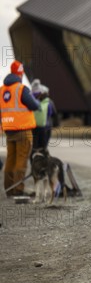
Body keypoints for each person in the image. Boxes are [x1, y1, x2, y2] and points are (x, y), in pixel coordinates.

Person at [0, 60, 39, 196]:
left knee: (10, 160)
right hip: (22, 130)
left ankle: (9, 189)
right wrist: (37, 101)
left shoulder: (2, 90)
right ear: (20, 73)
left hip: (9, 130)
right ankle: (18, 190)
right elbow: (34, 105)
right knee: (21, 161)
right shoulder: (21, 89)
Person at [31, 80, 60, 151]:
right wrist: (56, 125)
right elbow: (54, 114)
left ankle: (34, 160)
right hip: (47, 127)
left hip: (34, 126)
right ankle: (43, 160)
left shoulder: (33, 100)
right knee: (43, 147)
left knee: (34, 146)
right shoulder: (49, 102)